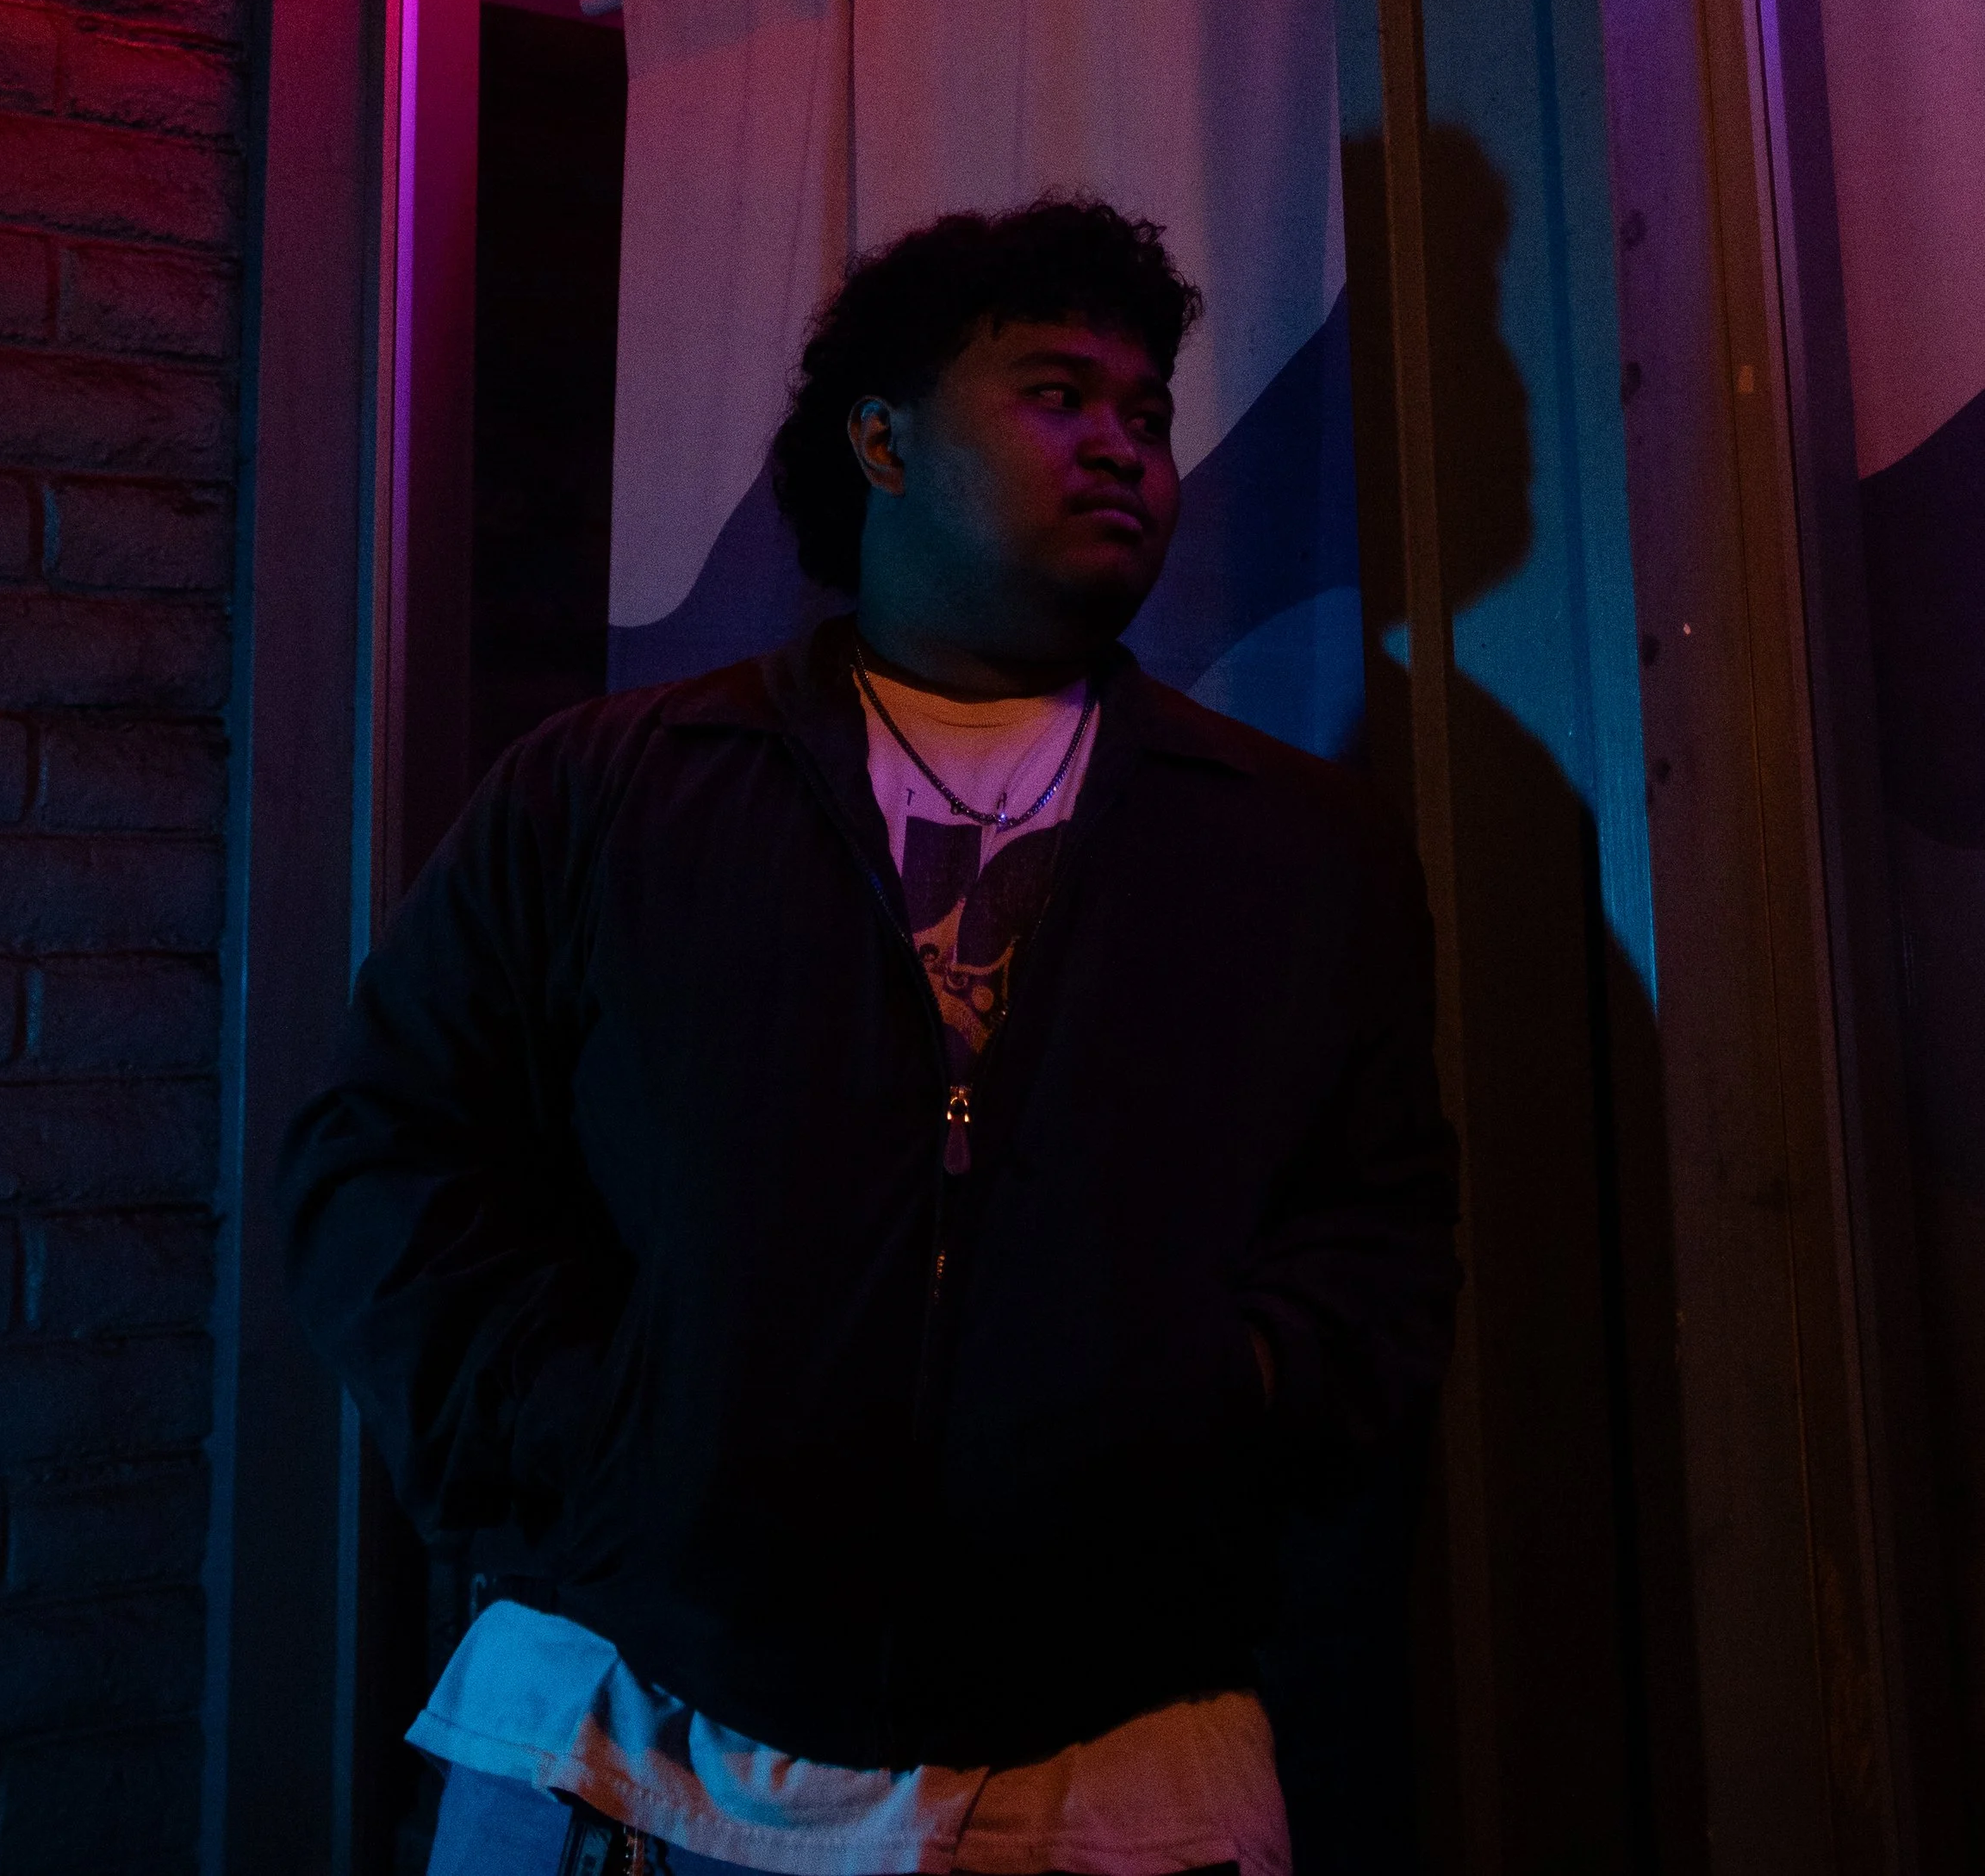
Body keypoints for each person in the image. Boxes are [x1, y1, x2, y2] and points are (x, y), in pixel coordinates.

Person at [281, 197, 1459, 1876]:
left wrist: (1220, 1393)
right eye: (1058, 391)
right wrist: (599, 1434)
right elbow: (379, 1159)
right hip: (627, 1736)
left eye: (1149, 412)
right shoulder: (611, 789)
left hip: (1109, 1763)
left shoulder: (1289, 839)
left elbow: (1379, 1239)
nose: (1122, 443)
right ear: (881, 439)